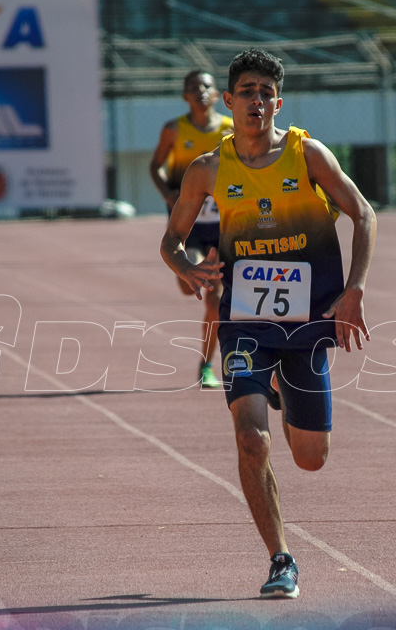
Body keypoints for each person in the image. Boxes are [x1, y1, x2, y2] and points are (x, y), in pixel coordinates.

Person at [160, 49, 377, 598]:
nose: (256, 101)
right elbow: (170, 240)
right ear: (229, 103)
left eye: (265, 93)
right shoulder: (208, 170)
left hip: (307, 324)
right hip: (244, 323)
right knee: (251, 437)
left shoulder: (307, 155)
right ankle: (281, 559)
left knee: (310, 458)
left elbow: (364, 213)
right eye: (247, 92)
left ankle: (282, 384)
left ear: (277, 102)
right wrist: (190, 267)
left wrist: (355, 289)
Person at [150, 69, 234, 388]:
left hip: (225, 226)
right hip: (190, 225)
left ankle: (206, 366)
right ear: (185, 95)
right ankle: (184, 271)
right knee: (190, 284)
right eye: (193, 87)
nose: (200, 91)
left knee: (214, 298)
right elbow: (155, 165)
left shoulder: (231, 130)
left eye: (206, 86)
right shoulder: (174, 130)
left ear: (217, 95)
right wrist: (168, 194)